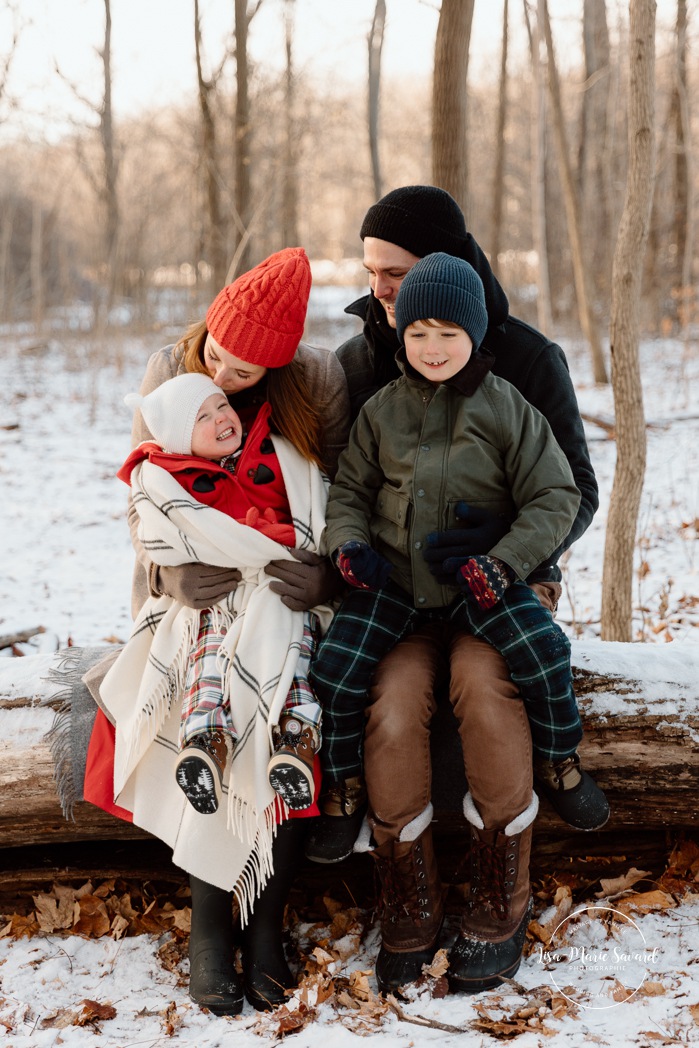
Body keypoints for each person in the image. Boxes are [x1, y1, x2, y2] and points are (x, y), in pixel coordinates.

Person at [309, 186, 600, 997]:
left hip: (494, 586)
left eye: (394, 272)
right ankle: (403, 889)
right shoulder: (366, 362)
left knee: (482, 682)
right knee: (393, 700)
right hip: (399, 594)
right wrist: (351, 551)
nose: (380, 289)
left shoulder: (525, 362)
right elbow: (345, 486)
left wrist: (500, 550)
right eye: (371, 273)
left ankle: (499, 891)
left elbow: (571, 488)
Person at [83, 247, 350, 1015]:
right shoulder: (170, 363)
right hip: (193, 597)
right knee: (207, 708)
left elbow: (342, 496)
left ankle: (265, 920)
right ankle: (208, 923)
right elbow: (147, 489)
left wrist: (327, 574)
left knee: (285, 715)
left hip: (288, 594)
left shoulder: (317, 382)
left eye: (245, 373)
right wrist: (169, 575)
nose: (225, 379)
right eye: (218, 359)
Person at [117, 371, 325, 816]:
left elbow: (313, 502)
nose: (221, 419)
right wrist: (168, 573)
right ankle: (206, 742)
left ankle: (296, 739)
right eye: (202, 418)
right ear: (179, 441)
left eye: (221, 407)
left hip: (279, 581)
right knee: (210, 650)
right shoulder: (170, 477)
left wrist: (288, 544)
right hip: (218, 592)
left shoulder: (274, 448)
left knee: (293, 644)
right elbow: (160, 526)